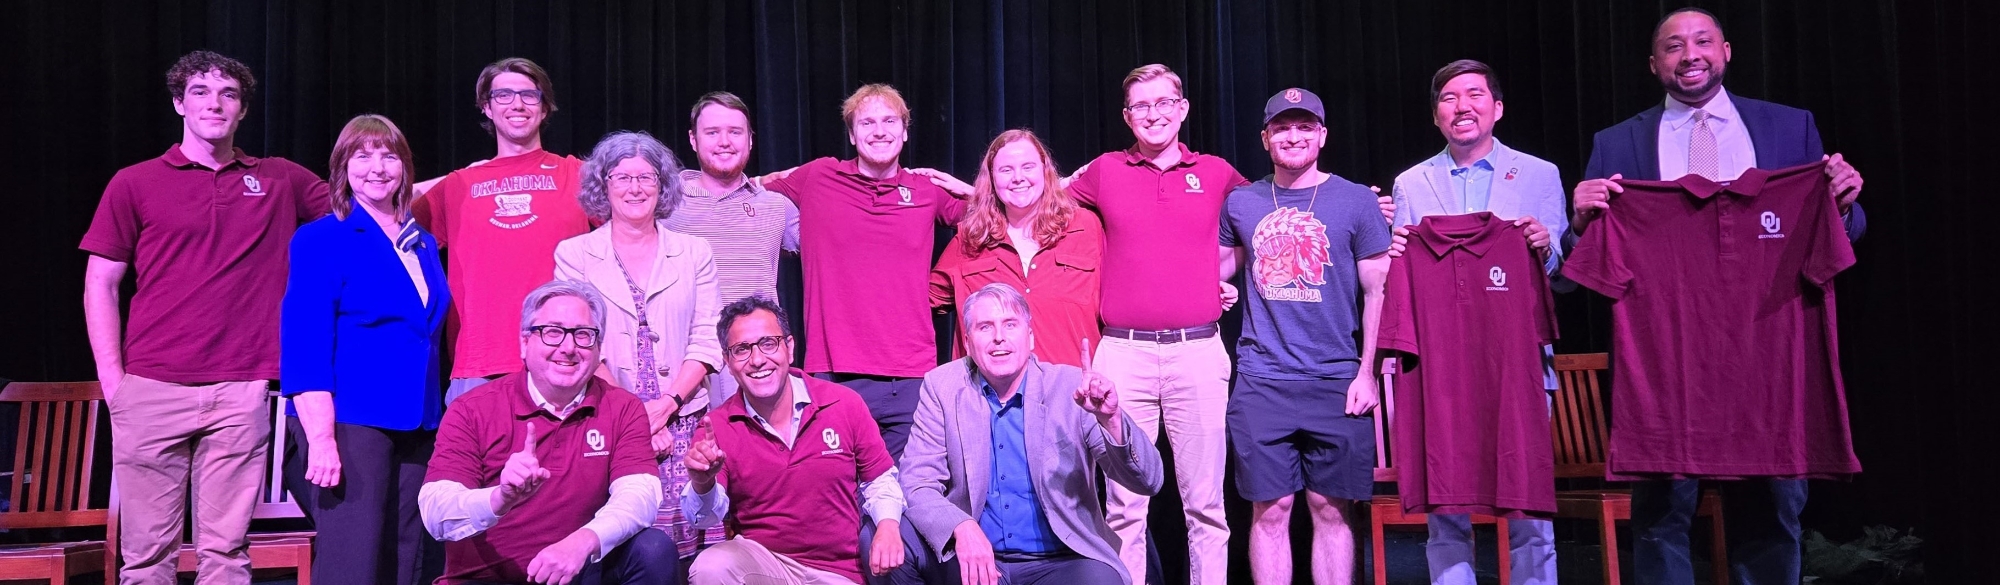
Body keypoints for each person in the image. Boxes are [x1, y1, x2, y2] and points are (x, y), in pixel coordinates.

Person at [1567, 8, 1868, 585]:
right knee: (1660, 517)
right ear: (1654, 64)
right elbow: (1583, 261)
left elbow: (1835, 237)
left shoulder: (1789, 128)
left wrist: (1846, 205)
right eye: (1673, 46)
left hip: (1767, 359)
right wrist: (1581, 222)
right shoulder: (1618, 143)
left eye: (1702, 41)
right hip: (1666, 365)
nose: (1690, 55)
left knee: (1772, 513)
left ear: (1726, 51)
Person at [80, 49, 330, 584]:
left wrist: (464, 182)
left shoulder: (278, 178)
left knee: (227, 555)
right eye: (200, 92)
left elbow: (371, 203)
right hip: (150, 387)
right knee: (146, 558)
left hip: (239, 389)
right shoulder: (135, 182)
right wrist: (113, 382)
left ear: (242, 111)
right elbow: (101, 281)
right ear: (179, 104)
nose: (215, 103)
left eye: (229, 94)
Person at [1386, 60, 1566, 585]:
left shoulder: (1539, 174)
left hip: (1517, 361)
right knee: (1446, 499)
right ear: (1436, 116)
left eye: (1474, 95)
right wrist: (1395, 246)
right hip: (1440, 363)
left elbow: (1555, 270)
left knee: (1528, 501)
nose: (1462, 106)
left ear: (1498, 107)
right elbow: (1403, 271)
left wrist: (1542, 248)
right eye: (1448, 98)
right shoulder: (1411, 183)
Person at [1217, 88, 1392, 585]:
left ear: (1322, 135)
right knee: (1270, 511)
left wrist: (1367, 375)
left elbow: (1377, 295)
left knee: (1331, 509)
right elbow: (1217, 271)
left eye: (1305, 127)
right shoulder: (1243, 202)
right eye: (1282, 128)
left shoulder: (1357, 201)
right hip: (1262, 380)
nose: (1293, 137)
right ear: (1266, 138)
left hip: (1336, 379)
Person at [895, 282, 1163, 585]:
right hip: (975, 562)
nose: (999, 337)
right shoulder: (942, 387)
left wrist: (1111, 419)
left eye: (1010, 324)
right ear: (968, 343)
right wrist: (961, 526)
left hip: (1062, 561)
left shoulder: (1072, 388)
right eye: (985, 327)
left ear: (1031, 336)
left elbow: (1149, 480)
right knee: (890, 539)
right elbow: (917, 482)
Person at [279, 114, 449, 585]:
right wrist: (321, 440)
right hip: (349, 424)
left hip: (417, 423)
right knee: (353, 562)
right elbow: (305, 345)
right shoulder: (322, 237)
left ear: (405, 167)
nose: (377, 167)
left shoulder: (423, 244)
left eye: (389, 155)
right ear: (342, 167)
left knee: (406, 559)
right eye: (363, 155)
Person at [757, 83, 966, 461]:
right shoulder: (818, 177)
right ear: (852, 135)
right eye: (867, 123)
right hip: (834, 374)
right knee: (839, 500)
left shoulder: (926, 191)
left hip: (910, 375)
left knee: (906, 500)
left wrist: (967, 188)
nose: (879, 131)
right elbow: (748, 188)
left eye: (890, 121)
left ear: (905, 132)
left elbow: (995, 219)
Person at [419, 280, 675, 585]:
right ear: (525, 343)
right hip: (488, 577)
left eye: (583, 335)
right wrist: (500, 498)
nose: (568, 348)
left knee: (653, 550)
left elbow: (639, 496)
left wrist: (582, 542)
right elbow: (437, 513)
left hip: (579, 572)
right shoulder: (472, 409)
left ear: (597, 349)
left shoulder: (621, 407)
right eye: (552, 332)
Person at [554, 130, 725, 563]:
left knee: (692, 548)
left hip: (684, 415)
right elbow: (578, 342)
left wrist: (665, 405)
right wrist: (635, 416)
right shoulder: (575, 254)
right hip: (610, 417)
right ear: (603, 185)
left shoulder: (694, 252)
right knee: (630, 545)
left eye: (646, 177)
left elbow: (707, 340)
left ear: (663, 185)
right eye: (622, 177)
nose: (635, 188)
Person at [682, 296, 906, 585]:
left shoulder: (843, 403)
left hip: (836, 573)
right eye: (741, 349)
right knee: (710, 567)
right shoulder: (718, 426)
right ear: (727, 361)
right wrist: (702, 483)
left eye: (768, 343)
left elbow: (880, 481)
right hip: (763, 564)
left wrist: (888, 524)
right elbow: (704, 520)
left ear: (789, 348)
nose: (758, 359)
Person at [412, 57, 592, 405]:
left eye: (529, 94)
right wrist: (454, 176)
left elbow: (640, 215)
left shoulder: (577, 175)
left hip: (563, 359)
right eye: (504, 95)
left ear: (545, 107)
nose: (517, 104)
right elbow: (382, 212)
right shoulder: (459, 186)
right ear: (487, 108)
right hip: (480, 363)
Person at [667, 91, 802, 403]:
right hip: (686, 364)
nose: (724, 141)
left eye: (735, 132)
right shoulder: (666, 205)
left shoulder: (776, 206)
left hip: (756, 362)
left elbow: (832, 250)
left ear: (750, 140)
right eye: (712, 132)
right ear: (693, 139)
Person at [929, 129, 1104, 368]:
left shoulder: (1085, 228)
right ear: (991, 178)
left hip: (1070, 393)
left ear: (1045, 170)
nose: (1018, 177)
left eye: (1028, 167)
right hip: (987, 398)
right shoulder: (970, 239)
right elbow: (922, 303)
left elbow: (1119, 304)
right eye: (1006, 170)